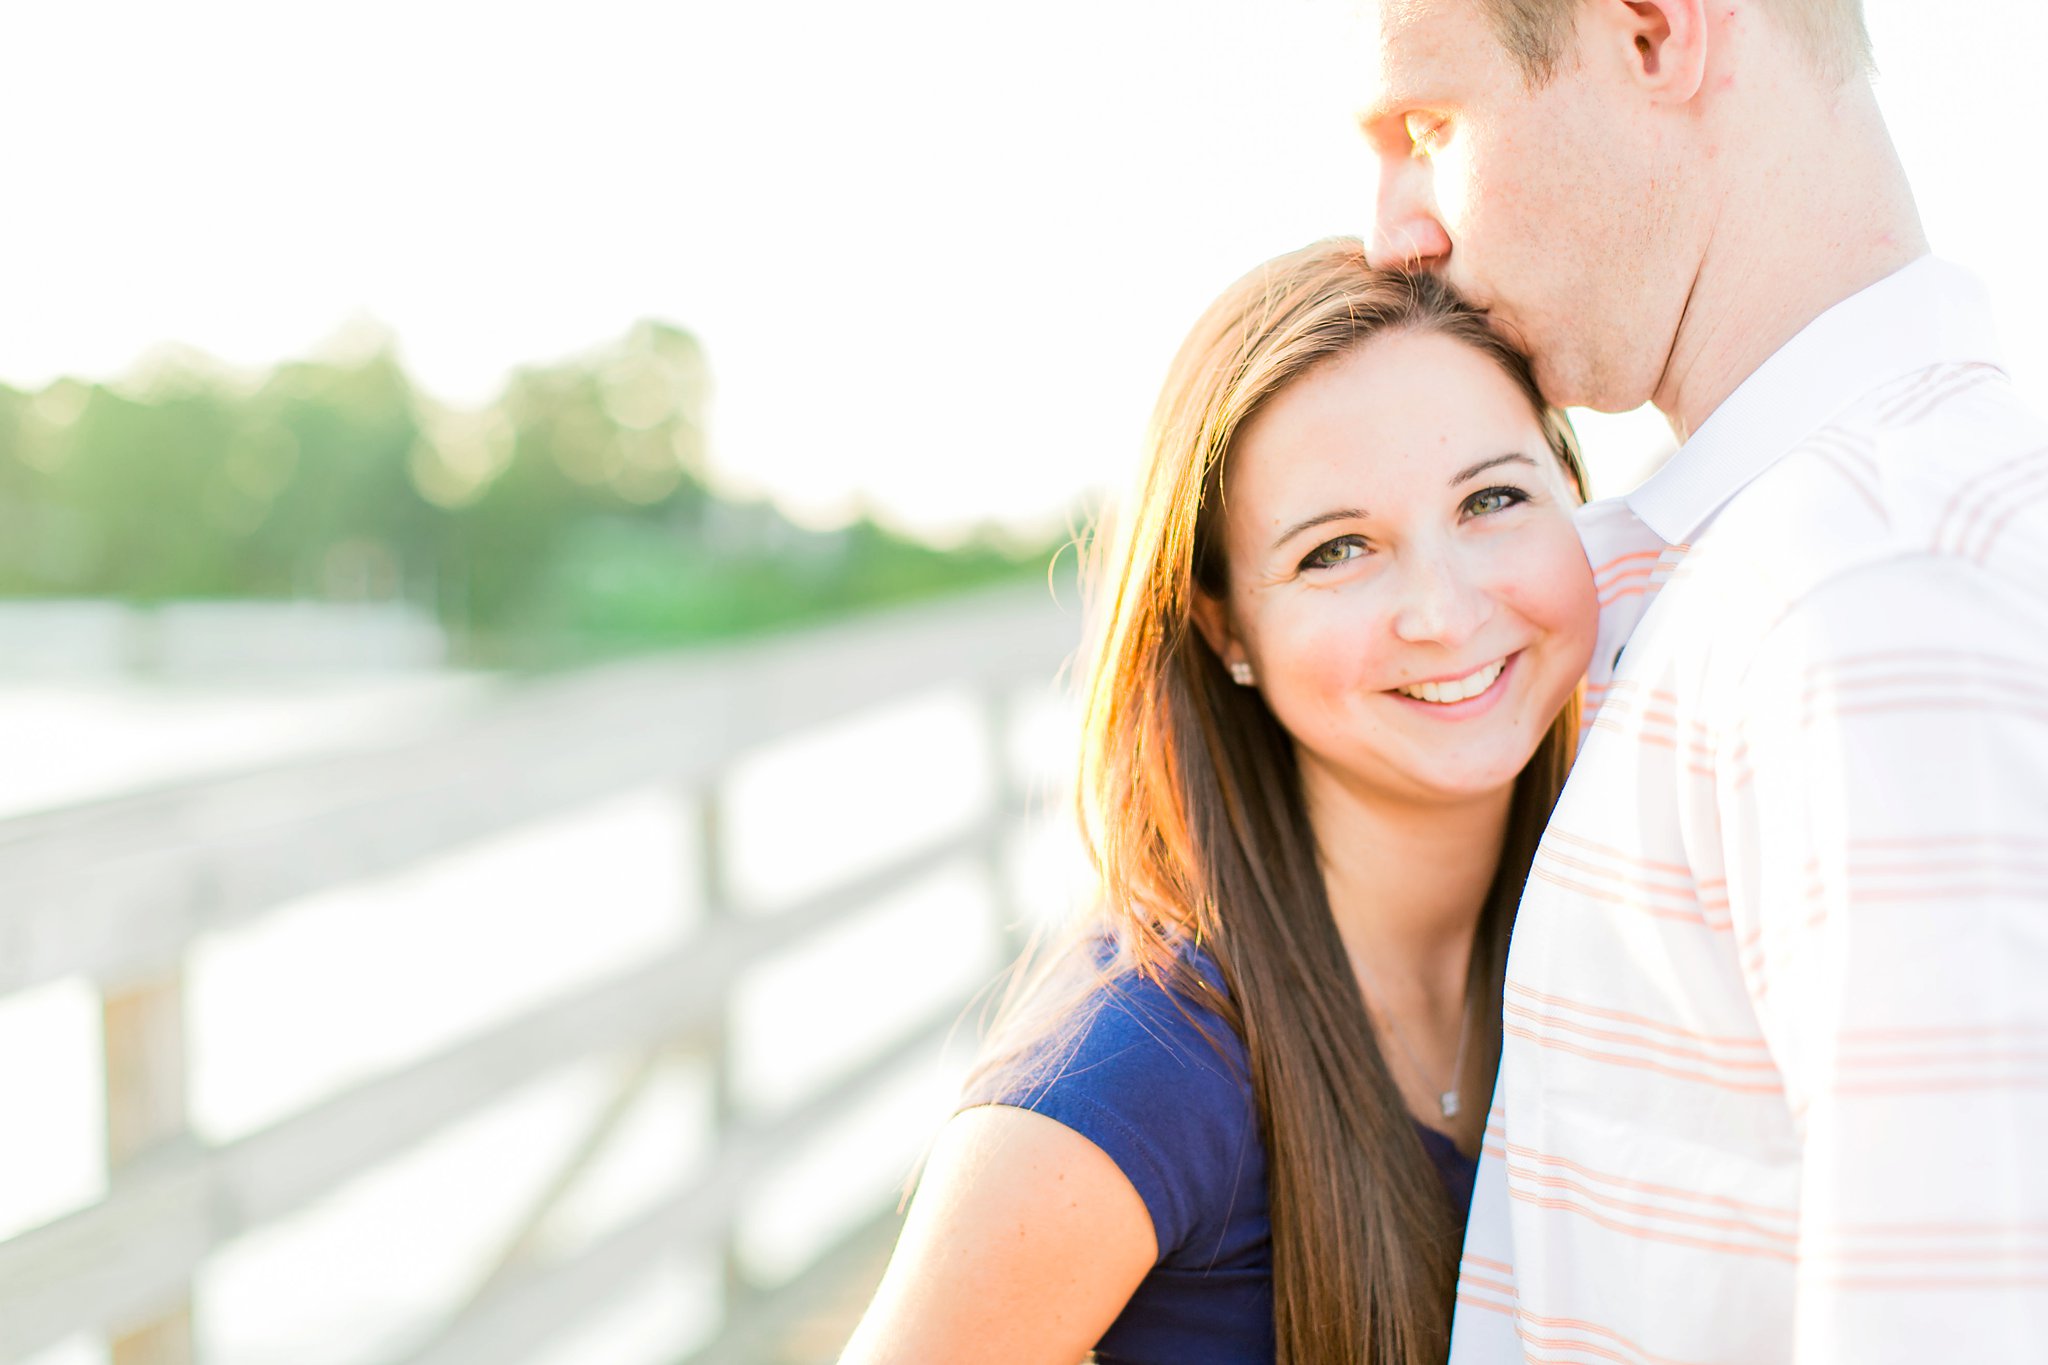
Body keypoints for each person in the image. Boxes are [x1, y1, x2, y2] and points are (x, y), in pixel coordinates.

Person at [1358, 2, 2048, 1361]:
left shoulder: (1869, 593)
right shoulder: (1799, 562)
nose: (1396, 236)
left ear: (1654, 35)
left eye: (1432, 128)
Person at [838, 239, 1599, 1364]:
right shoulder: (1140, 1068)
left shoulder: (1637, 920)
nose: (1440, 611)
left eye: (1491, 497)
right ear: (1226, 627)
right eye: (1336, 551)